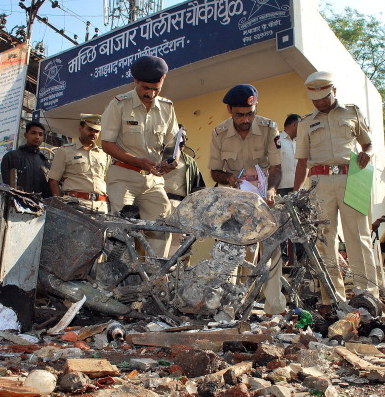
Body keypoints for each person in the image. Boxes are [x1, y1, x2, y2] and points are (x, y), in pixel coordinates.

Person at [293, 71, 379, 308]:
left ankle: (367, 295)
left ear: (334, 91)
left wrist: (367, 154)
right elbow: (302, 162)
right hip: (320, 184)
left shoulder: (352, 112)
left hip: (352, 177)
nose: (320, 102)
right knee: (324, 240)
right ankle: (332, 297)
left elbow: (369, 143)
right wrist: (296, 193)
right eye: (315, 99)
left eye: (324, 97)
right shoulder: (306, 123)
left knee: (358, 237)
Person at [208, 83, 284, 314]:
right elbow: (214, 171)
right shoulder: (219, 133)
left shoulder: (269, 127)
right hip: (236, 199)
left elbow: (276, 167)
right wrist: (229, 178)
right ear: (229, 110)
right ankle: (235, 308)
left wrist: (271, 189)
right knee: (237, 251)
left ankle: (275, 307)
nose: (246, 120)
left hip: (264, 198)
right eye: (240, 115)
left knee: (272, 249)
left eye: (250, 114)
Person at [101, 55, 178, 258]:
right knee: (122, 231)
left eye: (156, 89)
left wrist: (171, 161)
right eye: (145, 88)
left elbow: (172, 143)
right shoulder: (119, 104)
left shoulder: (167, 108)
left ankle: (156, 277)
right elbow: (107, 144)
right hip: (123, 177)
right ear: (135, 81)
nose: (151, 94)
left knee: (163, 226)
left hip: (153, 181)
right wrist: (137, 161)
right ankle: (119, 277)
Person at [47, 114, 110, 213]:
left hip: (100, 206)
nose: (93, 133)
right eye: (90, 129)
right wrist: (61, 206)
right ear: (81, 128)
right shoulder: (65, 151)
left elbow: (107, 181)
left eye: (97, 131)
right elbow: (53, 181)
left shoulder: (104, 154)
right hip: (76, 204)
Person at [162, 125, 206, 254]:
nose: (183, 140)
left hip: (181, 207)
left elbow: (199, 188)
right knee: (158, 242)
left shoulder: (189, 162)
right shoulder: (158, 157)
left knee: (178, 247)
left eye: (185, 137)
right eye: (180, 136)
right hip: (159, 203)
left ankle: (173, 272)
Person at [1, 121, 51, 197]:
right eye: (33, 133)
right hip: (16, 203)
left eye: (40, 134)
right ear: (25, 135)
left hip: (39, 205)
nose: (37, 137)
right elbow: (7, 185)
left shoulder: (45, 162)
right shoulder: (11, 157)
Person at [277, 114, 301, 196]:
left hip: (298, 188)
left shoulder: (299, 142)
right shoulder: (277, 140)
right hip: (281, 188)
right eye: (301, 125)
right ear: (295, 124)